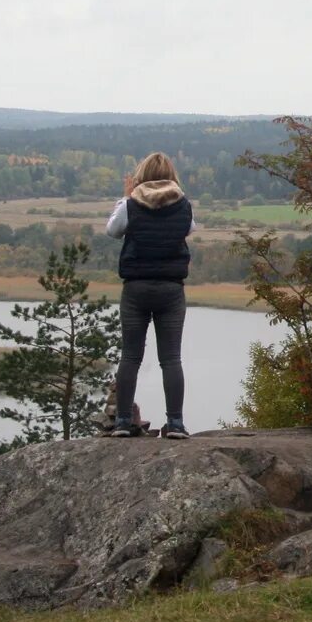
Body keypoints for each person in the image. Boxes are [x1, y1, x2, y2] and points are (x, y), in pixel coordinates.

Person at [105, 152, 194, 439]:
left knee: (130, 356)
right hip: (171, 289)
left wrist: (125, 198)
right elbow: (189, 229)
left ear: (141, 175)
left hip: (136, 289)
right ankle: (176, 424)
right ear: (171, 175)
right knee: (171, 358)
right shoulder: (184, 205)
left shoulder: (130, 205)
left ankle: (121, 422)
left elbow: (112, 231)